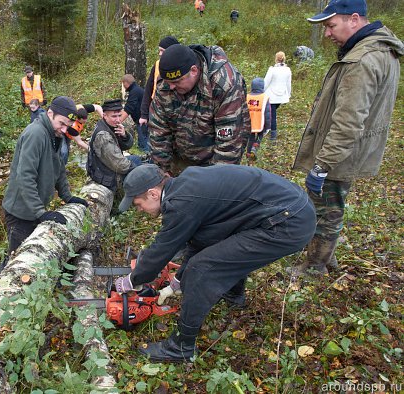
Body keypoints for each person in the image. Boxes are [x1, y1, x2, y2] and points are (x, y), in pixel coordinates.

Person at [115, 164, 315, 362]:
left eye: (138, 204)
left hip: (288, 222)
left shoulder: (180, 203)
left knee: (201, 269)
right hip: (291, 208)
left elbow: (162, 249)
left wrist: (133, 280)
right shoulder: (186, 186)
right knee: (223, 250)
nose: (139, 210)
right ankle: (233, 296)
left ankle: (181, 347)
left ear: (152, 193)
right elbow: (201, 240)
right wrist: (178, 279)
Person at [291, 0, 402, 276]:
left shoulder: (361, 60)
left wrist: (322, 164)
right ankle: (327, 258)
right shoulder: (378, 51)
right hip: (352, 149)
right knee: (333, 208)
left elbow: (348, 121)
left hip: (339, 153)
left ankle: (314, 267)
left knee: (325, 211)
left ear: (354, 19)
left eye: (331, 25)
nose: (328, 33)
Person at [0, 96, 89, 278]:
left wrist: (67, 196)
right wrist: (40, 212)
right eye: (61, 123)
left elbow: (59, 167)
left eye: (68, 125)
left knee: (34, 254)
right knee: (17, 260)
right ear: (50, 113)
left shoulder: (56, 135)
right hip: (20, 211)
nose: (64, 129)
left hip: (35, 209)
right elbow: (25, 176)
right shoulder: (35, 134)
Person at [149, 43, 250, 175]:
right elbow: (158, 131)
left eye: (177, 82)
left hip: (215, 157)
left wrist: (211, 182)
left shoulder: (224, 84)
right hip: (181, 154)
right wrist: (164, 172)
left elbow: (228, 147)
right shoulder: (167, 82)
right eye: (169, 82)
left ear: (194, 71)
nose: (171, 87)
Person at [87, 99, 142, 193]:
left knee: (139, 160)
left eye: (119, 115)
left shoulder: (109, 125)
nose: (118, 120)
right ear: (104, 115)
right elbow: (120, 165)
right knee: (142, 170)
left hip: (108, 169)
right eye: (114, 116)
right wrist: (138, 171)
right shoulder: (103, 135)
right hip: (107, 177)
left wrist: (124, 136)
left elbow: (128, 146)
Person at [139, 36, 179, 130]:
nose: (160, 54)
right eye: (159, 50)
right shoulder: (157, 65)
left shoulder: (182, 66)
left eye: (162, 51)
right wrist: (144, 115)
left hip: (175, 110)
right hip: (156, 108)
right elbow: (148, 89)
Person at [264, 51, 291, 142]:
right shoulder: (288, 70)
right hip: (281, 96)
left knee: (272, 115)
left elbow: (266, 82)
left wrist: (261, 92)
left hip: (271, 96)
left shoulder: (272, 69)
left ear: (276, 59)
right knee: (272, 113)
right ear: (284, 58)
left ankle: (273, 135)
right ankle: (269, 130)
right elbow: (288, 84)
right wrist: (288, 94)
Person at [120, 74, 149, 152]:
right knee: (143, 143)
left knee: (144, 146)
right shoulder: (136, 90)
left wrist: (117, 122)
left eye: (123, 84)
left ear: (126, 83)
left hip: (143, 121)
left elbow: (128, 109)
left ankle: (147, 160)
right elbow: (128, 107)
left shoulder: (135, 91)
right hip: (142, 120)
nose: (123, 86)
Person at [245, 77, 271, 162]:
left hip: (249, 122)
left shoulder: (247, 97)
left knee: (250, 137)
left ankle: (248, 153)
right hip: (260, 122)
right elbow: (267, 113)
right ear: (262, 87)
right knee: (260, 134)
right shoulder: (264, 97)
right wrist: (268, 126)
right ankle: (255, 147)